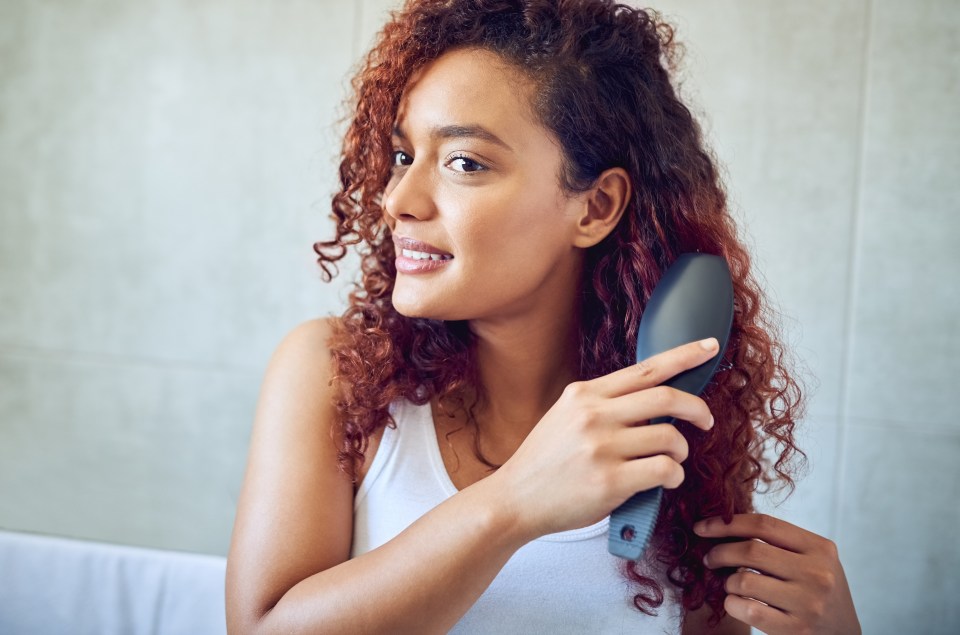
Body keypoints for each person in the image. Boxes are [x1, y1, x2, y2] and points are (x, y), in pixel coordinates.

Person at [225, 1, 861, 633]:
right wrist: (512, 504)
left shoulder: (677, 416)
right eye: (401, 156)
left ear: (595, 207)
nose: (398, 200)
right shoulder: (333, 375)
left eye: (464, 163)